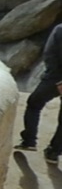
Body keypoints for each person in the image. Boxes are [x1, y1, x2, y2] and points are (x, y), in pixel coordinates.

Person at [15, 23, 62, 164]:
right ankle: (54, 152)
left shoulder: (60, 30)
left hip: (55, 79)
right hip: (56, 79)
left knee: (34, 104)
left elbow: (50, 54)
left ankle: (29, 140)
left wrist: (59, 81)